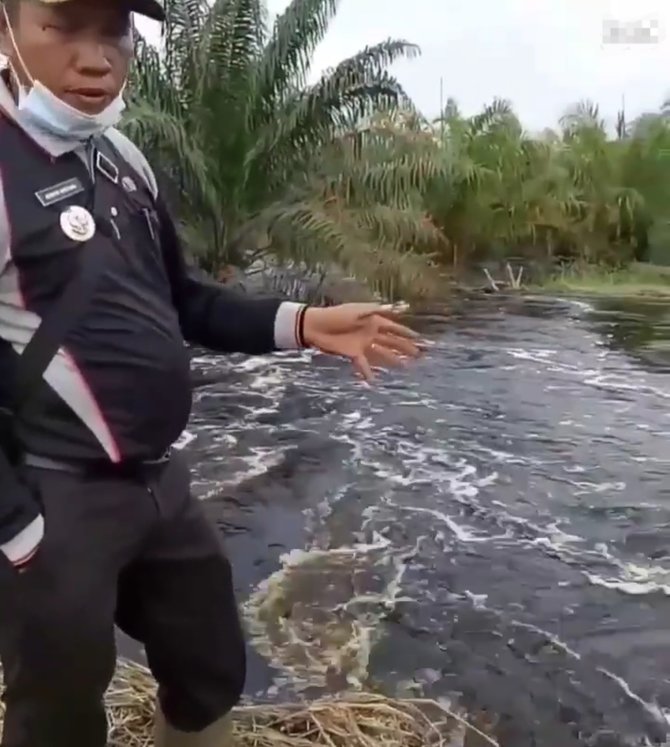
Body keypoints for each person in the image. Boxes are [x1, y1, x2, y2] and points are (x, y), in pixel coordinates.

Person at [0, 0, 423, 745]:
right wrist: (17, 528)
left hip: (160, 484)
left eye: (116, 32)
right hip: (52, 494)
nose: (97, 57)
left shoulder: (123, 161)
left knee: (211, 671)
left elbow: (187, 301)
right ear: (6, 28)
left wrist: (305, 323)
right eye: (64, 27)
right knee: (57, 713)